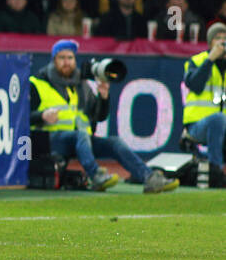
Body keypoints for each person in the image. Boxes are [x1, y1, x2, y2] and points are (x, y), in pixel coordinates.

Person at [30, 39, 179, 193]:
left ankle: (149, 177)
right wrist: (42, 116)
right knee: (80, 136)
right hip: (51, 140)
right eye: (61, 58)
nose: (66, 62)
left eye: (70, 58)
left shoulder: (81, 84)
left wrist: (104, 96)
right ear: (53, 60)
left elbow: (98, 116)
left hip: (80, 141)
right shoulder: (38, 83)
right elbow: (21, 117)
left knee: (114, 142)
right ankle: (95, 175)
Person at [182, 22, 226, 187]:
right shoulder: (197, 60)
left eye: (225, 38)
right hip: (198, 127)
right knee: (218, 119)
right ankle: (216, 171)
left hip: (223, 127)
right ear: (209, 43)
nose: (222, 42)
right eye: (217, 38)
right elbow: (195, 85)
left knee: (221, 120)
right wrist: (210, 60)